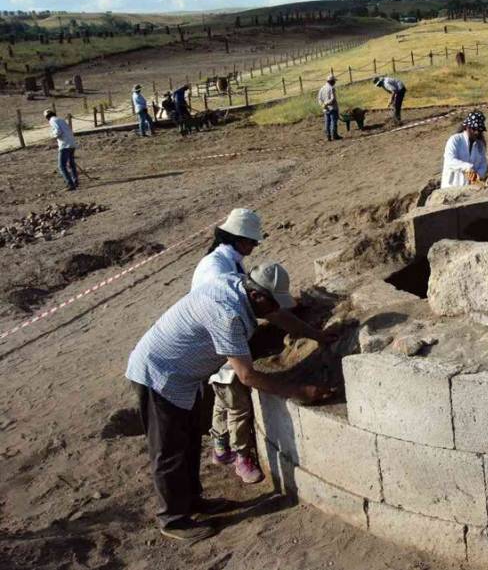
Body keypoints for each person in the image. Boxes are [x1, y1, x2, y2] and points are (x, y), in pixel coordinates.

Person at [126, 269, 335, 542]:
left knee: (188, 441)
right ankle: (173, 519)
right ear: (257, 295)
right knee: (169, 451)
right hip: (159, 376)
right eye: (272, 301)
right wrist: (299, 391)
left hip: (183, 377)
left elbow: (277, 314)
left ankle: (192, 502)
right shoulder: (227, 314)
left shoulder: (241, 288)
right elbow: (247, 375)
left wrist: (317, 335)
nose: (274, 309)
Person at [191, 209, 335, 484]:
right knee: (238, 401)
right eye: (252, 241)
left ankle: (220, 448)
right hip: (217, 340)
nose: (255, 246)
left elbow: (265, 307)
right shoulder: (215, 269)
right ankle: (240, 455)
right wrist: (298, 391)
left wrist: (313, 332)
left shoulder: (227, 260)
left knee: (223, 395)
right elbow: (230, 321)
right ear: (238, 238)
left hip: (220, 340)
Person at [441, 111, 488, 188]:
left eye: (479, 130)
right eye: (474, 129)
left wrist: (477, 175)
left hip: (469, 190)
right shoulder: (455, 140)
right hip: (451, 188)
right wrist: (468, 167)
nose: (476, 132)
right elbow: (450, 160)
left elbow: (483, 164)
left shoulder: (480, 146)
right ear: (467, 127)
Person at [45, 110, 78, 191]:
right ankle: (75, 181)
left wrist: (53, 136)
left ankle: (70, 184)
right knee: (71, 163)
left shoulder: (52, 120)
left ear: (47, 117)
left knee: (61, 166)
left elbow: (58, 132)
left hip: (65, 145)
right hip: (71, 143)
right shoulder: (61, 119)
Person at [317, 74, 341, 141]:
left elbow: (319, 99)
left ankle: (328, 136)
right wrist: (327, 103)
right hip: (332, 108)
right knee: (333, 122)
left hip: (325, 109)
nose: (335, 82)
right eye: (334, 81)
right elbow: (333, 99)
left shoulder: (322, 88)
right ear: (331, 81)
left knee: (327, 122)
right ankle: (334, 135)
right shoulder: (331, 88)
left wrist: (323, 105)